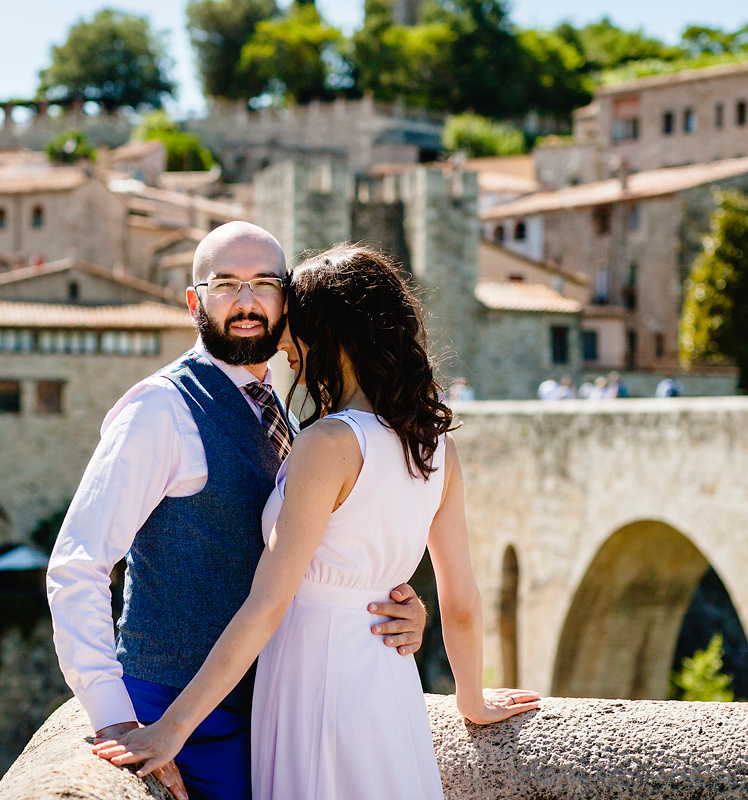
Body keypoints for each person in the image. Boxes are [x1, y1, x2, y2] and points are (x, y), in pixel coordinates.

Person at [102, 245, 541, 798]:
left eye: (296, 330)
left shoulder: (326, 443)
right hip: (387, 679)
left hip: (315, 678)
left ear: (330, 336)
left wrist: (172, 728)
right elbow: (461, 600)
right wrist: (471, 699)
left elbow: (269, 602)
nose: (284, 346)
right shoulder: (436, 447)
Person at [46, 223, 427, 800]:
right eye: (225, 285)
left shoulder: (293, 417)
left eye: (264, 284)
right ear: (194, 302)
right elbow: (78, 563)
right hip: (179, 714)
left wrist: (398, 607)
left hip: (280, 708)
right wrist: (113, 717)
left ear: (287, 302)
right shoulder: (160, 408)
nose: (247, 302)